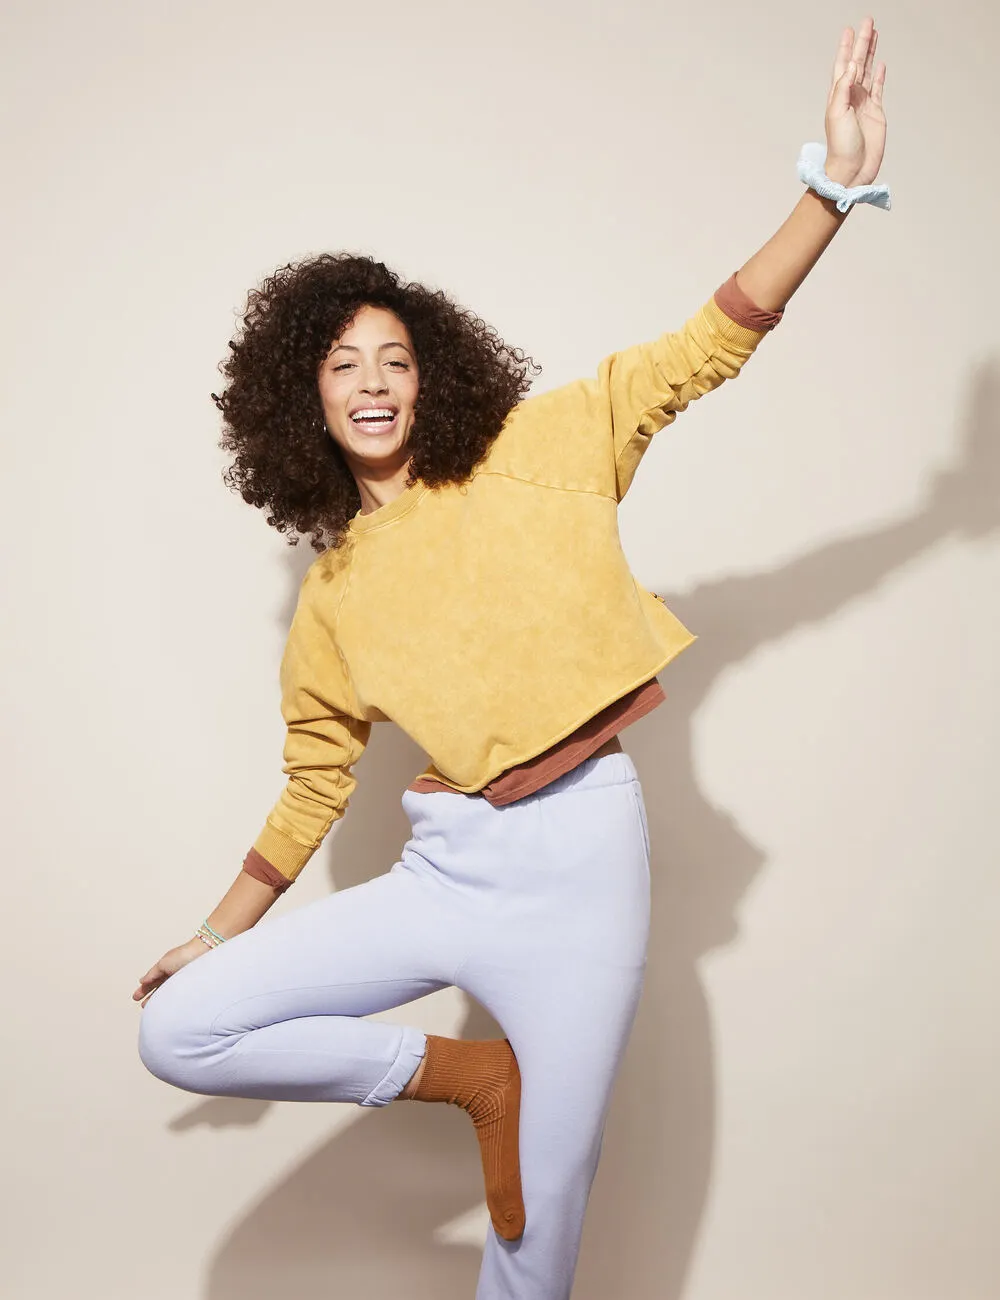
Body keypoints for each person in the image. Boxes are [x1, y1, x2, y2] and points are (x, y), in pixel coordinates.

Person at [133, 23, 888, 1297]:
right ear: (302, 399)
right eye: (341, 363)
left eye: (395, 358)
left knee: (538, 1237)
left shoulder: (542, 446)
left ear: (429, 375)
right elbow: (315, 782)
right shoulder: (333, 597)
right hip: (450, 865)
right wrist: (215, 932)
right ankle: (466, 1079)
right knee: (178, 1027)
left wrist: (828, 189)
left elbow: (709, 343)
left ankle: (517, 1149)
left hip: (583, 865)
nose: (373, 382)